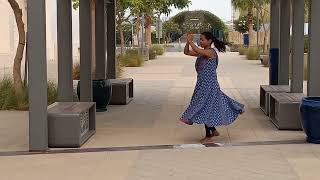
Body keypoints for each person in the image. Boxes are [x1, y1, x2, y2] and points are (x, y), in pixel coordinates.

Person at [180, 32, 245, 144]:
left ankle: (208, 136)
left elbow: (199, 50)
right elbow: (186, 52)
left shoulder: (210, 52)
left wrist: (191, 41)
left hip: (209, 86)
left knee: (205, 108)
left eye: (203, 40)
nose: (201, 41)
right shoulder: (202, 53)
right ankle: (213, 131)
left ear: (209, 41)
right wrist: (187, 42)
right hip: (202, 85)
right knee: (207, 107)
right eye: (200, 39)